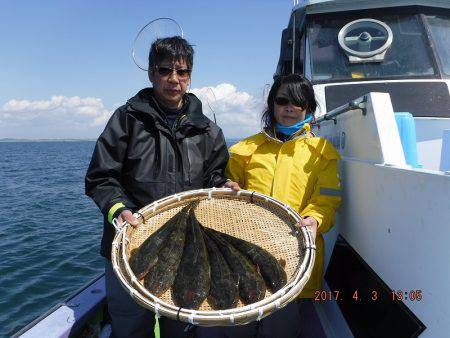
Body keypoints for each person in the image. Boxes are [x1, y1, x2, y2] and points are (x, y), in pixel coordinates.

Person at [85, 36, 237, 338]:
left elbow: (213, 176)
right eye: (165, 70)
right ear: (151, 73)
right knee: (130, 322)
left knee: (180, 323)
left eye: (182, 72)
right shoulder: (126, 120)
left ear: (190, 76)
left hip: (186, 247)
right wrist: (119, 209)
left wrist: (223, 185)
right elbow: (101, 177)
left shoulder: (208, 130)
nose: (174, 79)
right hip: (130, 242)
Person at [226, 74, 341, 338]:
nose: (290, 107)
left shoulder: (322, 153)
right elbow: (228, 192)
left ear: (308, 109)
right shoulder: (245, 150)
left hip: (294, 261)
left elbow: (328, 197)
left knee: (280, 329)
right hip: (245, 259)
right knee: (238, 330)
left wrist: (315, 219)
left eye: (299, 101)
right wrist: (229, 189)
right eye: (282, 100)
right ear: (272, 105)